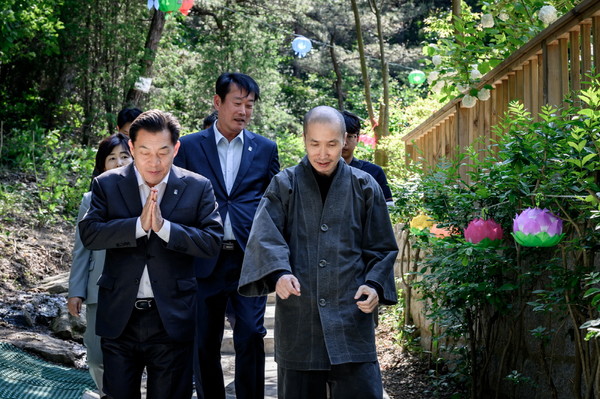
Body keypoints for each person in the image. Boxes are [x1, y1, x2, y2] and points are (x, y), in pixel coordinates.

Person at [239, 106, 398, 399]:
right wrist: (279, 274)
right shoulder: (284, 184)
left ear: (345, 141)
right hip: (300, 318)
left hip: (351, 315)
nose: (323, 153)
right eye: (315, 143)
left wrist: (375, 284)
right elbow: (265, 236)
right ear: (304, 139)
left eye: (332, 144)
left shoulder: (365, 186)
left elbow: (382, 246)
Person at [79, 109, 224, 399]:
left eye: (163, 152)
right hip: (120, 317)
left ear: (176, 149)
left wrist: (164, 227)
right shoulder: (107, 184)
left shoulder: (197, 187)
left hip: (171, 317)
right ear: (131, 148)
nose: (154, 162)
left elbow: (212, 242)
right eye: (144, 152)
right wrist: (137, 226)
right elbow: (90, 233)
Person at [174, 72, 279, 399]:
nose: (244, 111)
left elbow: (275, 203)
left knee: (250, 334)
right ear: (218, 102)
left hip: (249, 261)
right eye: (237, 103)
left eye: (250, 105)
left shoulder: (265, 148)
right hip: (203, 261)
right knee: (204, 341)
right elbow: (175, 200)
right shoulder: (189, 147)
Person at [67, 132, 133, 398]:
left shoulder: (148, 196)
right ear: (102, 165)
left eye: (124, 157)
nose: (118, 163)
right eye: (112, 158)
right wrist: (76, 290)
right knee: (95, 356)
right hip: (99, 288)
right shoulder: (90, 198)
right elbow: (82, 249)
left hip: (136, 289)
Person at [341, 110, 394, 204]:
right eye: (340, 137)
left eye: (349, 137)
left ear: (357, 138)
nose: (344, 143)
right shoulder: (321, 171)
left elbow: (388, 208)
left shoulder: (374, 172)